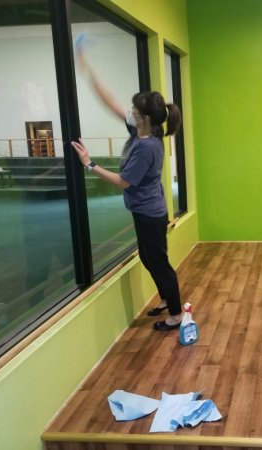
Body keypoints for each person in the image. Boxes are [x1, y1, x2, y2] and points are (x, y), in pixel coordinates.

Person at [71, 50, 183, 331]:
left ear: (143, 117)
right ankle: (165, 299)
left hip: (150, 214)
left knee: (158, 262)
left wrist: (89, 164)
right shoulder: (144, 130)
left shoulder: (147, 146)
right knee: (148, 257)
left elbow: (123, 182)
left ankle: (176, 314)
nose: (129, 109)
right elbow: (112, 103)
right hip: (145, 209)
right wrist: (88, 69)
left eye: (134, 108)